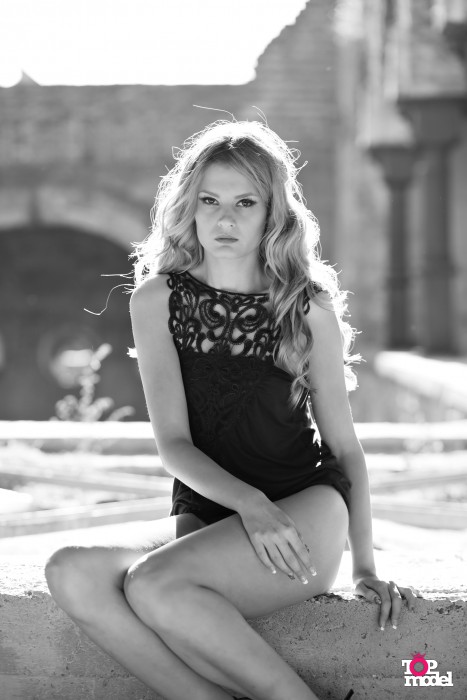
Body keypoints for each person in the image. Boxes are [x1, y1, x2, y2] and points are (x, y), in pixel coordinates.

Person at [45, 119, 420, 700]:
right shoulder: (157, 300)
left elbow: (345, 447)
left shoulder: (306, 308)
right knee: (69, 570)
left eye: (245, 203)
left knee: (154, 585)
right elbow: (174, 445)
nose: (225, 219)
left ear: (273, 213)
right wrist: (249, 505)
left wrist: (365, 566)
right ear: (189, 207)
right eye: (210, 201)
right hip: (211, 512)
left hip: (303, 513)